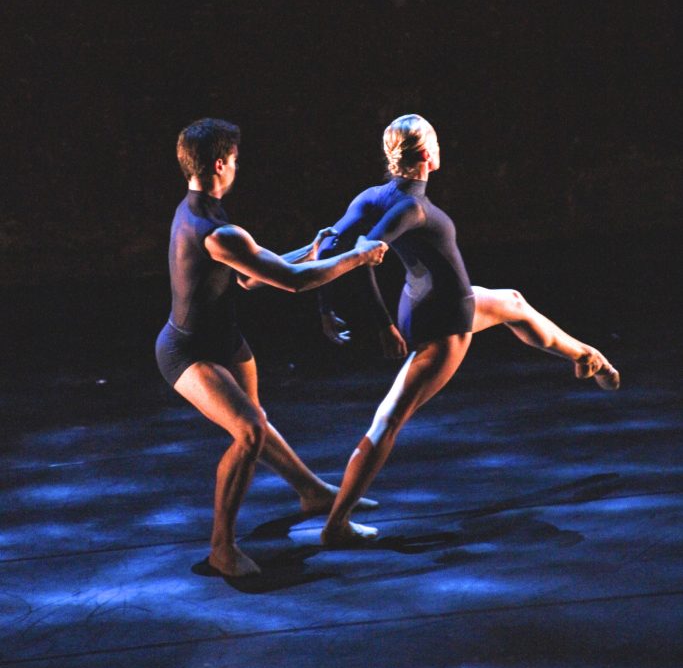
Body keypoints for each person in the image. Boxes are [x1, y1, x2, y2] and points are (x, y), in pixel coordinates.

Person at [317, 113, 620, 547]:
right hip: (445, 322)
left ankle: (586, 357)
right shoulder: (414, 207)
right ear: (427, 156)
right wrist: (381, 324)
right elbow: (364, 254)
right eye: (436, 142)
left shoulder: (373, 197)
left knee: (513, 303)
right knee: (388, 420)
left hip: (424, 302)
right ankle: (335, 526)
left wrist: (326, 309)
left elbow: (329, 244)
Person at [155, 117, 387, 577]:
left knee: (256, 423)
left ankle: (313, 492)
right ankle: (222, 548)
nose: (238, 167)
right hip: (188, 351)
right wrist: (357, 257)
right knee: (249, 433)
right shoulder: (213, 228)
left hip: (225, 339)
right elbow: (292, 284)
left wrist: (310, 248)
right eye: (236, 160)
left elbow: (247, 275)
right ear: (220, 164)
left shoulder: (209, 215)